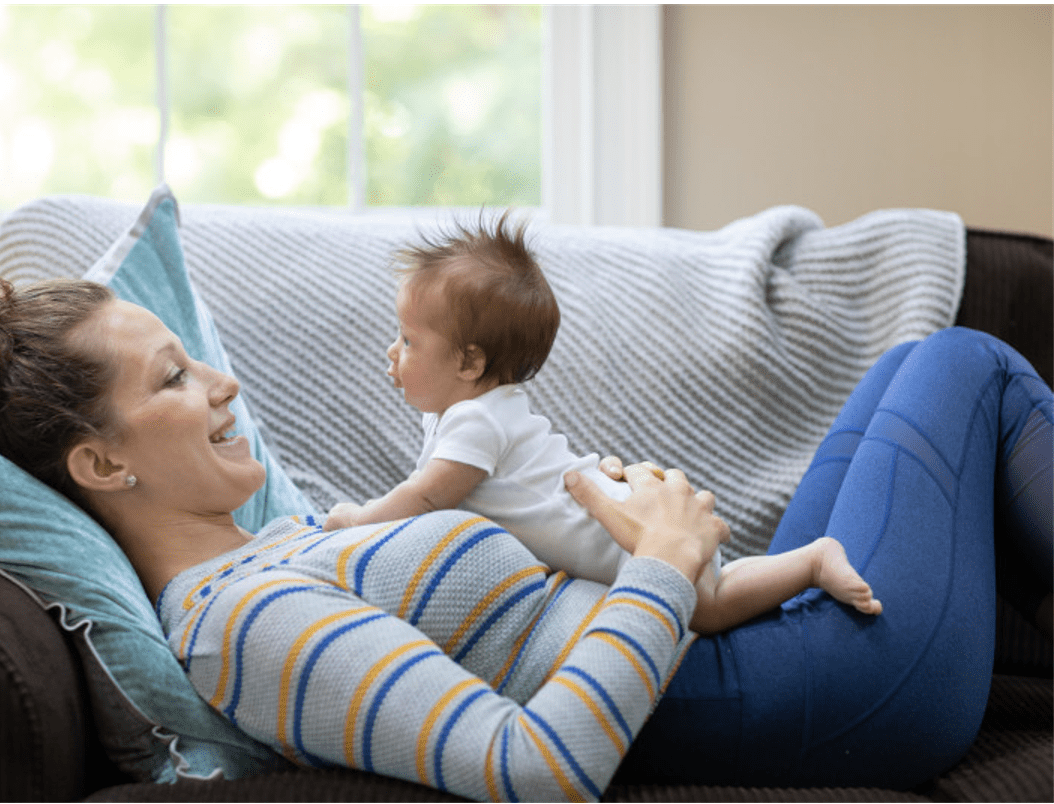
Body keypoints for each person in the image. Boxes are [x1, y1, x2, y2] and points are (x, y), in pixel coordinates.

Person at [0, 274, 1049, 797]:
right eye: (174, 377)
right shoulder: (239, 627)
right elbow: (532, 770)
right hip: (817, 695)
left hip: (771, 644)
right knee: (966, 367)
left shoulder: (278, 543)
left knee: (907, 361)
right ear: (103, 463)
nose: (223, 383)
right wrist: (659, 564)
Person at [323, 215, 882, 633]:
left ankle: (811, 562)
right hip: (621, 521)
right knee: (718, 586)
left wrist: (360, 521)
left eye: (409, 340)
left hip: (624, 539)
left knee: (708, 608)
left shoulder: (476, 420)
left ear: (470, 363)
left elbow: (425, 498)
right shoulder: (474, 412)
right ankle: (803, 561)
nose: (392, 351)